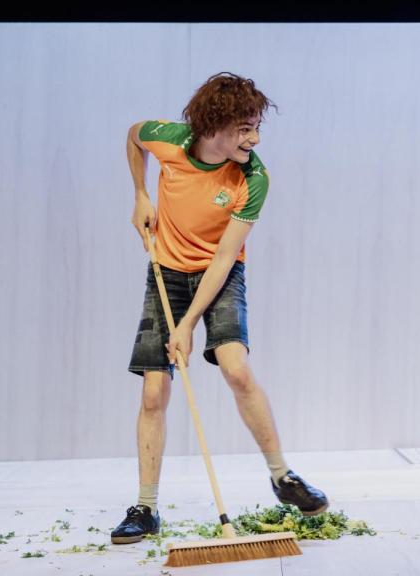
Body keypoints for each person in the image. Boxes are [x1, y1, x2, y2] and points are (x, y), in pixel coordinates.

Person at [111, 72, 328, 545]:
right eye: (245, 128)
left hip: (220, 276)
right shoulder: (169, 139)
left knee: (236, 369)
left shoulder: (254, 177)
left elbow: (226, 257)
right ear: (214, 126)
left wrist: (188, 324)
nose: (255, 138)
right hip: (166, 273)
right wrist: (140, 194)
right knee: (153, 393)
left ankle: (282, 476)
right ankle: (145, 509)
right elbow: (133, 135)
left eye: (256, 127)